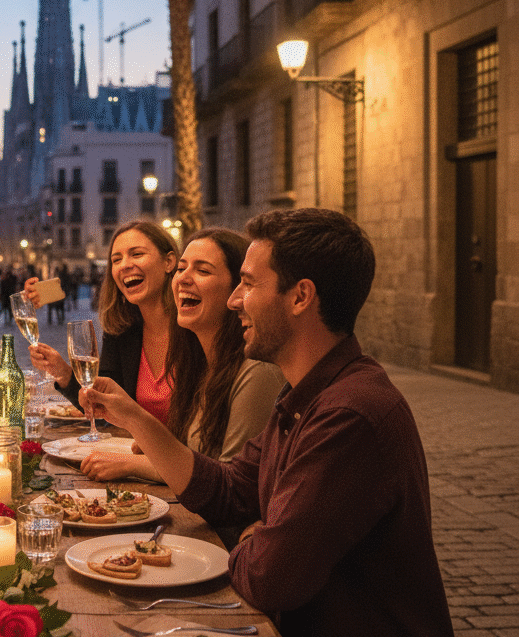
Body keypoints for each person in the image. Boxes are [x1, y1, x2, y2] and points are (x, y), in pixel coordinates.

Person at [80, 208, 452, 636]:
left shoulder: (348, 415)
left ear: (300, 297)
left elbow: (268, 579)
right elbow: (228, 489)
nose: (236, 299)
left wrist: (253, 540)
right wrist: (132, 415)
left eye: (249, 284)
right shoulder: (302, 395)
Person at [79, 228, 284, 484]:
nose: (183, 279)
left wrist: (135, 440)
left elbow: (231, 487)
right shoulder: (200, 361)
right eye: (182, 268)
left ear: (237, 292)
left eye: (203, 270)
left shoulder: (256, 370)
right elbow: (192, 453)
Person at [28, 222, 179, 424]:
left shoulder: (193, 324)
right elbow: (106, 404)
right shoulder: (122, 329)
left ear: (169, 262)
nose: (124, 264)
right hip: (131, 449)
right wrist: (62, 372)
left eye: (137, 254)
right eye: (116, 259)